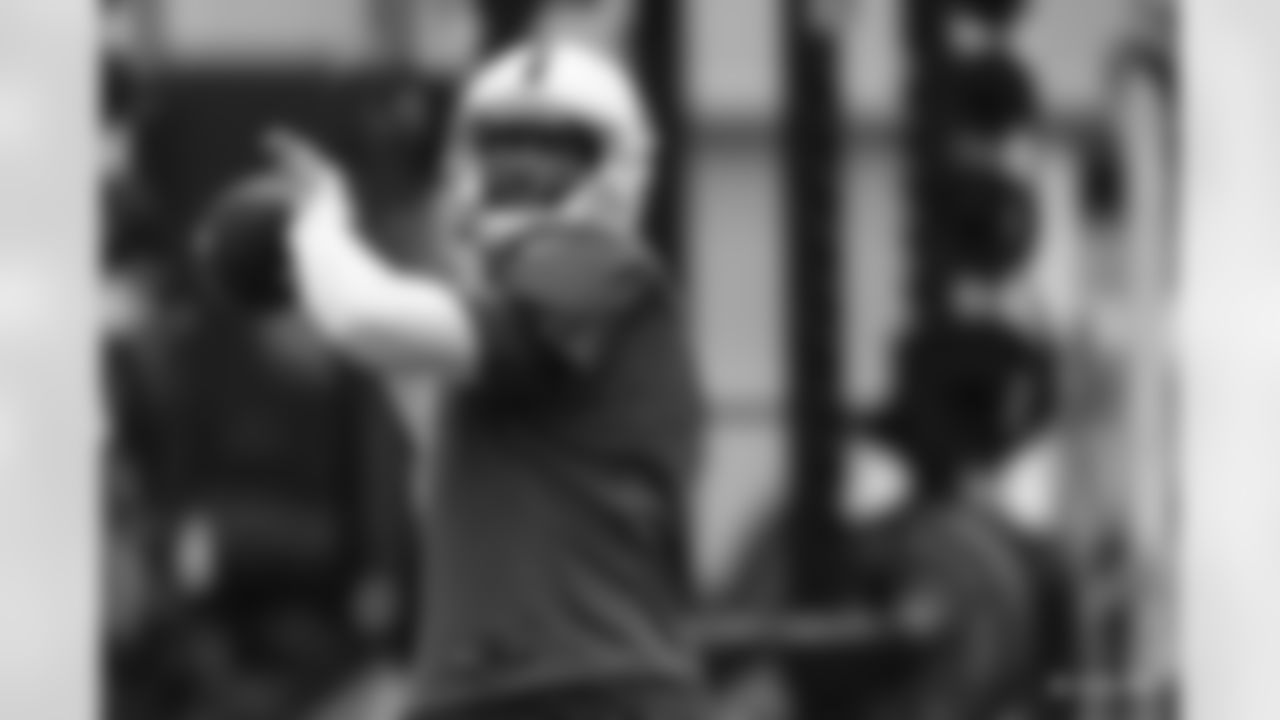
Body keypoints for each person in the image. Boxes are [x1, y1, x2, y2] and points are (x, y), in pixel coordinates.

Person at [262, 38, 706, 720]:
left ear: (618, 168)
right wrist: (301, 269)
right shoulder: (503, 331)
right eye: (501, 151)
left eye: (555, 156)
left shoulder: (604, 266)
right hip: (490, 691)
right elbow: (421, 403)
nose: (521, 174)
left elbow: (366, 319)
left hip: (588, 691)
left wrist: (319, 224)